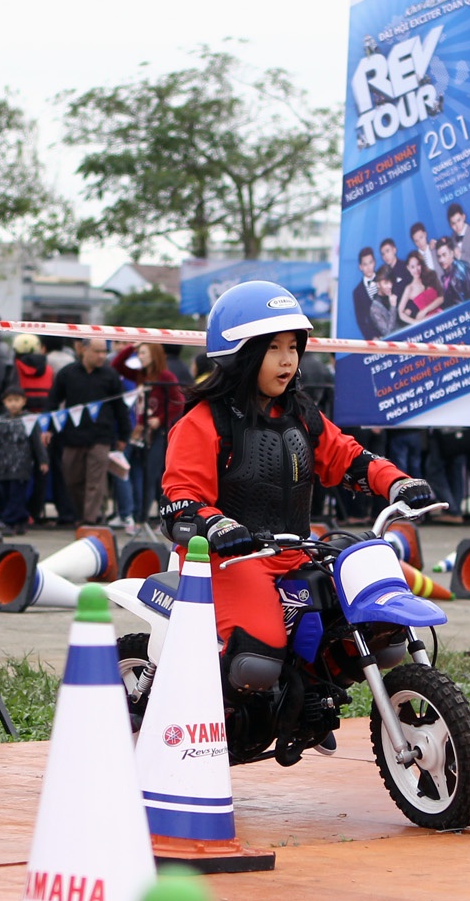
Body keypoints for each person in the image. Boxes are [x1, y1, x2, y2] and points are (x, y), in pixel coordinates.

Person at [160, 281, 433, 758]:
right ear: (240, 353)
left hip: (293, 552)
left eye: (293, 347)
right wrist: (218, 525)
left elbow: (348, 458)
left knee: (369, 625)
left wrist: (396, 482)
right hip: (226, 561)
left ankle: (304, 700)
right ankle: (207, 722)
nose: (287, 360)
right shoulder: (203, 422)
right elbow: (181, 500)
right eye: (273, 348)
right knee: (257, 657)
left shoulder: (302, 414)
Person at [47, 338, 129, 525]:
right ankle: (81, 515)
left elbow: (120, 407)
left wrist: (124, 435)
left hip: (101, 436)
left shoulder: (111, 375)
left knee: (95, 482)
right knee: (71, 479)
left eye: (104, 352)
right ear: (84, 350)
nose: (102, 356)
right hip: (72, 435)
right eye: (97, 351)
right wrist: (48, 428)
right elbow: (53, 401)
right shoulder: (67, 373)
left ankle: (89, 521)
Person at [113, 341, 183, 524]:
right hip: (140, 431)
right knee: (135, 470)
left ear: (154, 354)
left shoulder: (165, 376)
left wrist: (160, 419)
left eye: (143, 353)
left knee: (151, 474)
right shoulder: (140, 375)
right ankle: (137, 515)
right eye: (139, 353)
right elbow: (117, 365)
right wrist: (132, 347)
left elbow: (178, 402)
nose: (140, 356)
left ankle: (144, 518)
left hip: (158, 433)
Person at [0, 386, 48, 533]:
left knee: (17, 495)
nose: (13, 404)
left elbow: (37, 442)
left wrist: (43, 460)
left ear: (24, 401)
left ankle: (8, 522)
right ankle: (21, 521)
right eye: (10, 400)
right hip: (4, 466)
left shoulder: (29, 420)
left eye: (17, 400)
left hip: (22, 466)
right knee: (6, 495)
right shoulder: (0, 421)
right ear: (4, 402)